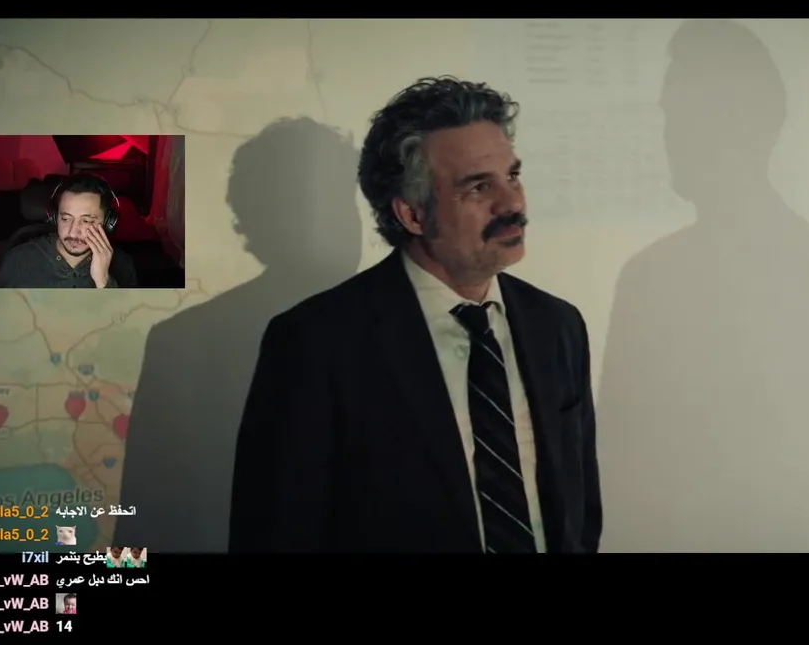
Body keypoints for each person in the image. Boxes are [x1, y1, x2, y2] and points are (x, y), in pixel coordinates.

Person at [229, 77, 601, 554]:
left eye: (512, 176)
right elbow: (276, 536)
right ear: (413, 215)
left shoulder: (558, 326)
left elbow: (579, 513)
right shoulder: (314, 343)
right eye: (478, 186)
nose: (513, 202)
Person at [0, 174, 137, 288]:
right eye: (66, 219)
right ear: (55, 217)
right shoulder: (18, 260)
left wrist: (104, 281)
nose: (73, 233)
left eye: (86, 221)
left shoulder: (122, 265)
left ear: (109, 222)